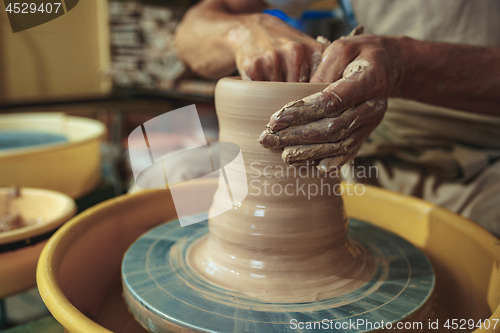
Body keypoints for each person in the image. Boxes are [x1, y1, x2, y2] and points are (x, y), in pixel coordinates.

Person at [174, 0, 500, 235]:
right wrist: (245, 29)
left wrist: (404, 66)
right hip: (359, 143)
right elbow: (190, 34)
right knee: (177, 175)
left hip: (481, 161)